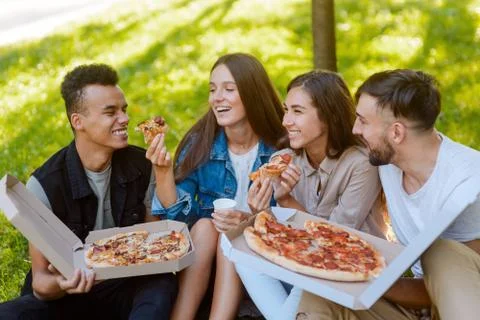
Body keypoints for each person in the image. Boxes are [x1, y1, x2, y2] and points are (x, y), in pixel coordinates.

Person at [296, 69, 480, 320]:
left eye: (362, 121)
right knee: (321, 295)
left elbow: (461, 284)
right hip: (416, 306)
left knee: (441, 253)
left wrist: (371, 276)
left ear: (396, 133)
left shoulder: (468, 181)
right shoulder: (386, 162)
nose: (355, 129)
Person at [0, 63, 178, 320]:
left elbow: (157, 247)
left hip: (125, 289)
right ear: (78, 121)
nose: (125, 119)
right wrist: (62, 284)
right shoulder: (44, 185)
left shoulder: (143, 165)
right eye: (111, 112)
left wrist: (163, 173)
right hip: (69, 299)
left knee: (161, 286)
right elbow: (40, 281)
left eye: (124, 110)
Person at [238, 70, 388, 320]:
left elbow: (334, 241)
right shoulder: (283, 161)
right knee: (238, 244)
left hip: (353, 269)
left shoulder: (360, 165)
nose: (286, 121)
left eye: (297, 111)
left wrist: (287, 201)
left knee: (306, 276)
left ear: (328, 116)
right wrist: (259, 212)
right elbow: (282, 237)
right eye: (286, 110)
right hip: (302, 263)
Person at [147, 53, 287, 319]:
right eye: (212, 90)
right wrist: (163, 172)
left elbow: (289, 221)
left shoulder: (279, 151)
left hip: (264, 257)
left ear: (252, 93)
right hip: (209, 262)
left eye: (228, 89)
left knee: (230, 234)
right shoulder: (201, 144)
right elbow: (178, 217)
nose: (216, 98)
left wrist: (248, 221)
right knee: (205, 225)